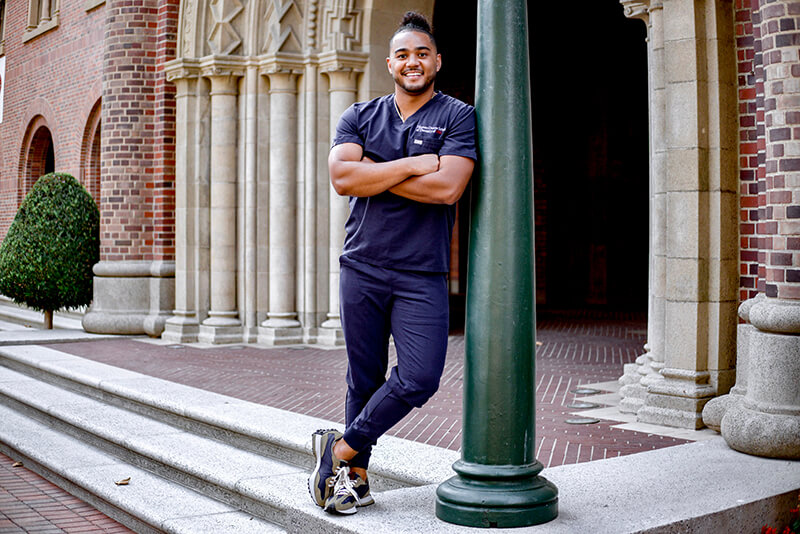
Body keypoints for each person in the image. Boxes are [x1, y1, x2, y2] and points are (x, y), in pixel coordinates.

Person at [308, 11, 477, 515]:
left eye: (422, 53)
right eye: (403, 54)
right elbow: (341, 179)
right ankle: (353, 480)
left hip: (421, 273)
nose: (412, 62)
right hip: (362, 265)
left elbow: (448, 188)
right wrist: (411, 166)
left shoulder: (457, 116)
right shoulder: (359, 115)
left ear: (437, 61)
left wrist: (373, 173)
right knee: (364, 377)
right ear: (389, 63)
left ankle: (339, 450)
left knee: (419, 377)